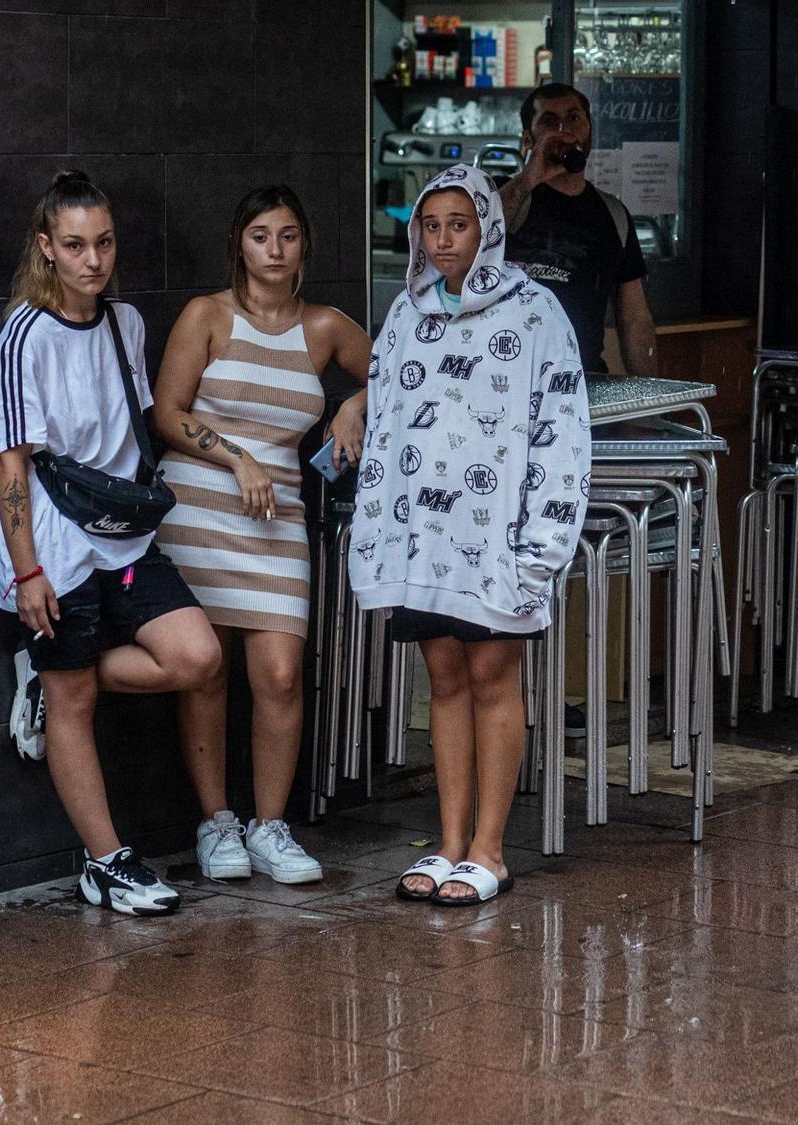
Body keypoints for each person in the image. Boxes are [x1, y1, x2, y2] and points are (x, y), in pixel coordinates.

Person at [350, 165, 589, 907]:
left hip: (499, 541)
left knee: (492, 678)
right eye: (432, 224)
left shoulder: (536, 311)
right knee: (444, 680)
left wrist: (542, 543)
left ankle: (491, 848)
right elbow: (387, 420)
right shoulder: (406, 311)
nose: (446, 239)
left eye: (460, 222)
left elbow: (562, 432)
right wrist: (377, 529)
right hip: (424, 540)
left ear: (488, 224)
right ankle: (449, 843)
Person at [0, 171, 222, 915]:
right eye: (76, 245)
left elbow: (134, 426)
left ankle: (49, 679)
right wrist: (27, 570)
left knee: (195, 655)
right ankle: (106, 860)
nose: (94, 259)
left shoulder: (126, 323)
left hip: (123, 533)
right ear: (46, 248)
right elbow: (12, 462)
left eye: (105, 242)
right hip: (56, 539)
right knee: (76, 699)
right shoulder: (25, 334)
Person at [152, 185, 372, 886]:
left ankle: (269, 827)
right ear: (238, 245)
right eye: (259, 236)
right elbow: (166, 410)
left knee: (279, 673)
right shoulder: (207, 316)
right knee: (208, 670)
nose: (274, 250)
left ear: (305, 243)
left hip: (278, 517)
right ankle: (216, 820)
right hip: (200, 507)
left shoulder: (327, 327)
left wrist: (356, 406)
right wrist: (235, 455)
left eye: (287, 236)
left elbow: (409, 370)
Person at [494, 82, 658, 380]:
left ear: (590, 130)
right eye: (548, 121)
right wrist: (531, 176)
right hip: (502, 380)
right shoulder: (501, 193)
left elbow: (635, 319)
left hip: (578, 383)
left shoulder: (613, 215)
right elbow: (479, 238)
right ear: (528, 138)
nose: (563, 129)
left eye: (573, 118)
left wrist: (651, 406)